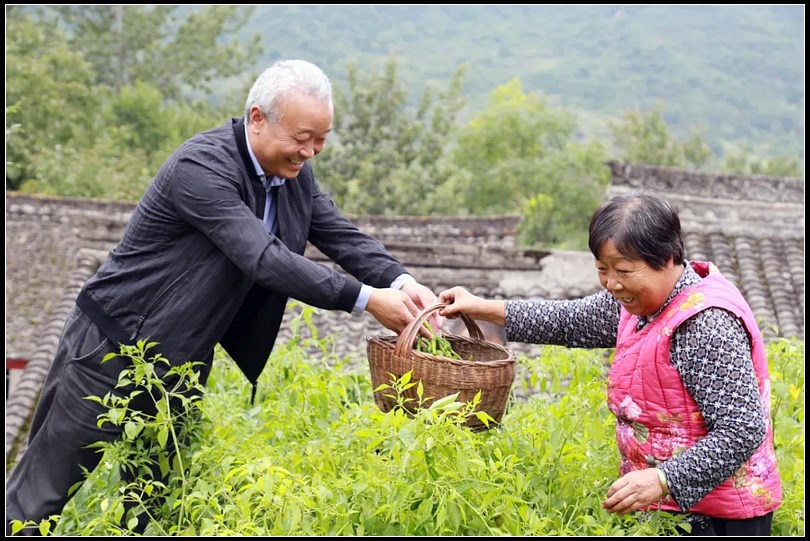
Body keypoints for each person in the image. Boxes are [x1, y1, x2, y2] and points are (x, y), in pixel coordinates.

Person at [5, 59, 442, 535]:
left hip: (180, 362)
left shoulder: (294, 177)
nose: (310, 151)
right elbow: (264, 258)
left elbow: (342, 235)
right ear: (257, 118)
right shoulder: (201, 168)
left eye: (321, 139)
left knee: (155, 507)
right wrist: (366, 299)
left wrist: (402, 282)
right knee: (39, 496)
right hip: (110, 346)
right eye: (301, 137)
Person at [438, 191, 782, 536]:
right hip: (668, 508)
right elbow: (569, 320)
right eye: (603, 270)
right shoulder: (639, 304)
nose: (613, 284)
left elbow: (742, 429)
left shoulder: (705, 324)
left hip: (720, 519)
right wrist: (480, 307)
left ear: (667, 258)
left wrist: (664, 479)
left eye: (624, 271)